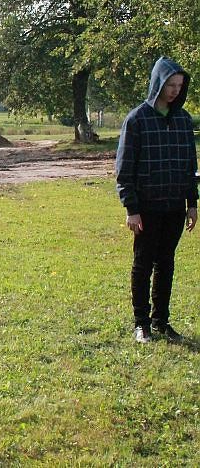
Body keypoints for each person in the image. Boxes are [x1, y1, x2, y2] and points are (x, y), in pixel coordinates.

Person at [115, 56, 197, 343]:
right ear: (158, 83)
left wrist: (192, 204)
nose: (175, 90)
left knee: (167, 263)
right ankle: (141, 324)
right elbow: (124, 171)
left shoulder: (184, 120)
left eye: (179, 85)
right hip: (146, 209)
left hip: (174, 206)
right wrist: (132, 209)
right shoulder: (136, 120)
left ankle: (161, 321)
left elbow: (189, 166)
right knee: (143, 264)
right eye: (171, 84)